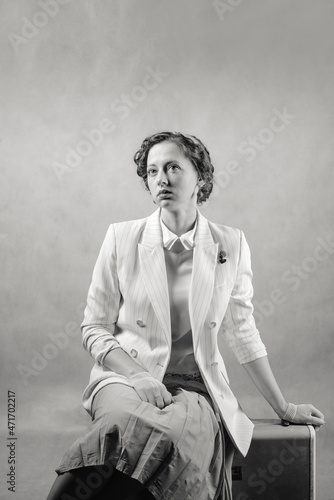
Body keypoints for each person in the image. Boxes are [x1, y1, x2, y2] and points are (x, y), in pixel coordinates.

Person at [46, 132, 325, 500]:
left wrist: (283, 406)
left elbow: (243, 332)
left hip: (196, 386)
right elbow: (94, 328)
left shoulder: (232, 243)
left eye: (173, 167)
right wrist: (140, 376)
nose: (160, 178)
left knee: (174, 434)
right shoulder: (121, 238)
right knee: (123, 423)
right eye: (152, 171)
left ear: (202, 178)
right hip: (126, 379)